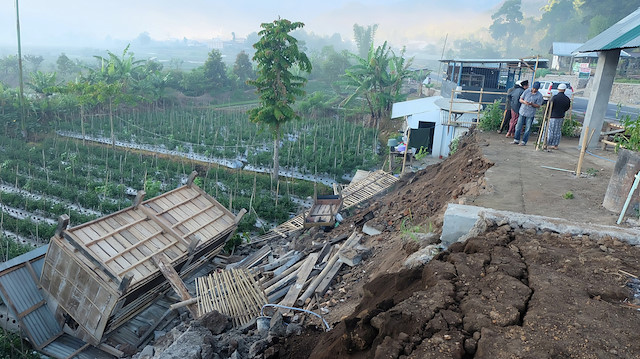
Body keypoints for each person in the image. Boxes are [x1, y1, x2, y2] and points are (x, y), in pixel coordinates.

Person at [513, 81, 543, 146]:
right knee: (518, 126)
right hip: (522, 111)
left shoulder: (539, 95)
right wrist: (524, 102)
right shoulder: (527, 91)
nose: (534, 90)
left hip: (531, 113)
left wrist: (532, 104)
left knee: (528, 128)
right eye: (534, 88)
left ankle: (524, 141)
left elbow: (538, 105)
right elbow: (520, 99)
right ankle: (516, 139)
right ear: (532, 87)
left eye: (536, 89)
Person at [546, 83, 572, 149]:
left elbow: (549, 106)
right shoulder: (567, 99)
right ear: (565, 90)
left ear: (558, 89)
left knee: (551, 130)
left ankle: (548, 143)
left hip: (553, 116)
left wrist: (547, 114)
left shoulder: (554, 98)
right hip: (561, 116)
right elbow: (567, 107)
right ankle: (555, 145)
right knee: (558, 130)